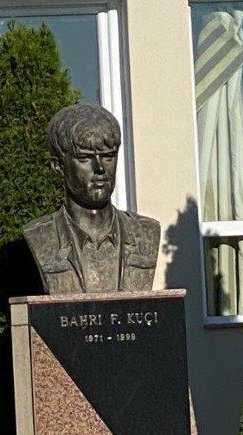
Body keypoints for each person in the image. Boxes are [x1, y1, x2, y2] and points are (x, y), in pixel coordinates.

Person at [23, 102, 159, 294]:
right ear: (59, 166)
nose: (100, 168)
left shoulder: (146, 232)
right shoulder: (40, 236)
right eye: (84, 159)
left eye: (108, 156)